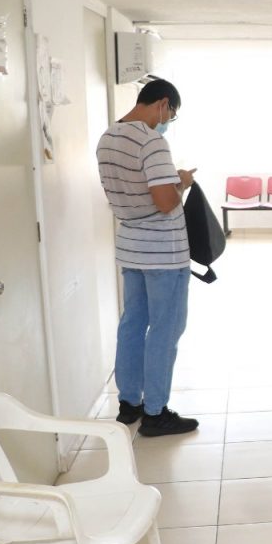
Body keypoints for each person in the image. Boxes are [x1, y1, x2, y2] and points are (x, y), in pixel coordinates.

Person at [97, 78, 199, 437]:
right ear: (163, 104)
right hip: (164, 253)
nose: (167, 121)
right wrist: (181, 181)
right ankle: (156, 412)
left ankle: (130, 404)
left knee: (132, 325)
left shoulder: (107, 138)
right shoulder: (151, 141)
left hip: (131, 248)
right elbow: (165, 201)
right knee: (165, 330)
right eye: (171, 114)